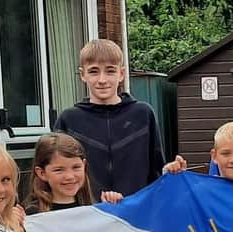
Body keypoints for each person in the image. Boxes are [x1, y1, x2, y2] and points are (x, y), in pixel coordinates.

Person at [54, 39, 165, 199]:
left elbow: (157, 170)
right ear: (82, 74)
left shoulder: (143, 114)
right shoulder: (69, 119)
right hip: (88, 215)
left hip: (135, 214)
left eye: (110, 71)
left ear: (121, 74)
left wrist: (172, 172)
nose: (102, 80)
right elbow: (55, 174)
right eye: (93, 71)